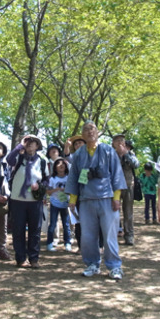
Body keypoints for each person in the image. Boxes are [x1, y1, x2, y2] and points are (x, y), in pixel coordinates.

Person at [65, 120, 127, 280]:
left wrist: (117, 197)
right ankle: (92, 264)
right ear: (83, 134)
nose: (89, 131)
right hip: (86, 199)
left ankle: (114, 266)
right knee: (87, 235)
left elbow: (117, 174)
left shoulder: (108, 150)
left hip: (107, 198)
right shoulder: (78, 154)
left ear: (98, 132)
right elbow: (74, 177)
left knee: (109, 234)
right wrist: (72, 199)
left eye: (92, 128)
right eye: (85, 129)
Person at [6, 134, 49, 268]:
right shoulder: (18, 157)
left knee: (35, 230)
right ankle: (20, 258)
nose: (30, 144)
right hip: (17, 200)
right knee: (18, 230)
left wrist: (40, 186)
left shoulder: (42, 160)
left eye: (33, 142)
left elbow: (47, 179)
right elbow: (9, 159)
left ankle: (34, 258)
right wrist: (20, 144)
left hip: (34, 200)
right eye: (28, 142)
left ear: (37, 146)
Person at [112, 135, 140, 245]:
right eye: (117, 141)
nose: (120, 143)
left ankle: (129, 235)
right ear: (113, 143)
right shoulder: (111, 155)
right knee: (114, 211)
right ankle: (114, 233)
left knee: (128, 212)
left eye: (122, 141)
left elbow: (136, 165)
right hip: (114, 187)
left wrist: (126, 154)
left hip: (128, 185)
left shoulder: (131, 154)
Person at [46, 157, 72, 252]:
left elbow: (73, 189)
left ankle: (67, 243)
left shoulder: (69, 177)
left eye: (63, 164)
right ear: (55, 167)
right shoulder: (52, 178)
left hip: (66, 204)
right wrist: (56, 189)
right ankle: (49, 243)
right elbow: (48, 191)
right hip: (54, 203)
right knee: (52, 224)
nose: (61, 165)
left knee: (66, 225)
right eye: (58, 164)